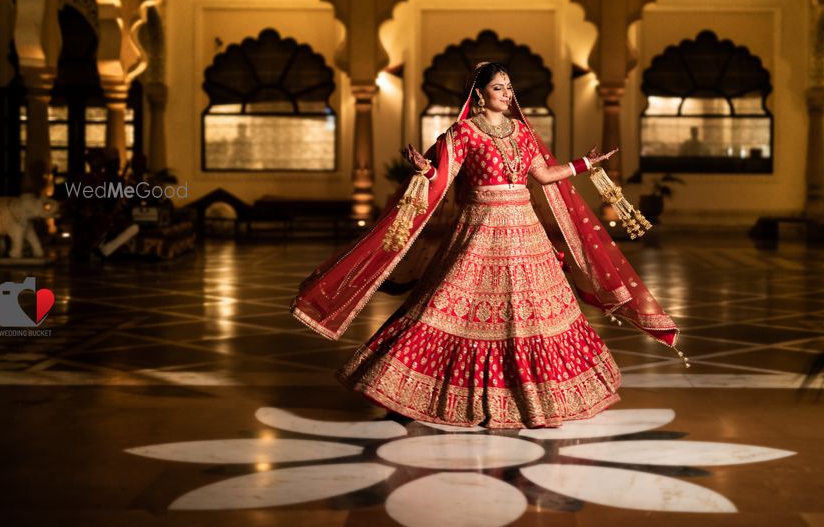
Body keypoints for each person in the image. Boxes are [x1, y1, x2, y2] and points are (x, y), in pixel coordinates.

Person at [291, 62, 680, 428]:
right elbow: (444, 178)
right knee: (445, 307)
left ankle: (539, 398)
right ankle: (403, 392)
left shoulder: (524, 133)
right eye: (499, 87)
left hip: (525, 233)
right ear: (479, 94)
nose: (507, 94)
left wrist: (582, 164)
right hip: (479, 230)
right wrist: (425, 170)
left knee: (534, 314)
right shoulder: (462, 133)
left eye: (509, 87)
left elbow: (543, 175)